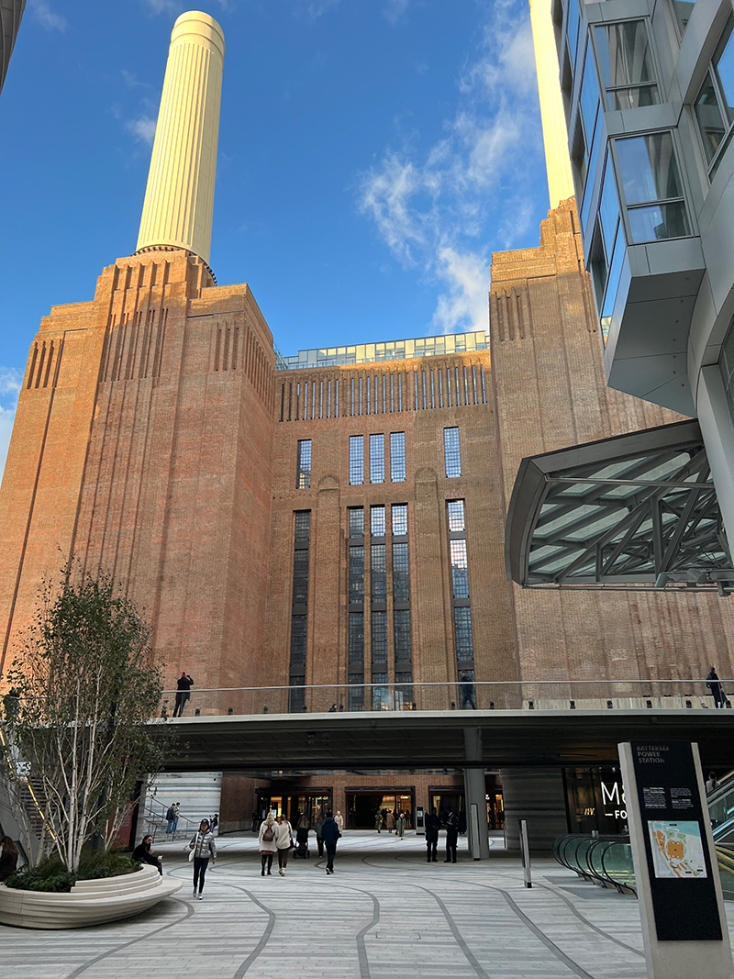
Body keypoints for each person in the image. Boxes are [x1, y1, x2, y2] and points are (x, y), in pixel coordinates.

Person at [189, 818, 216, 899]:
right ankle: (195, 887)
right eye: (202, 825)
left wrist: (214, 857)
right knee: (196, 874)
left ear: (207, 826)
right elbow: (190, 845)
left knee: (202, 874)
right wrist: (194, 844)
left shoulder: (210, 835)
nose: (203, 827)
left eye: (205, 825)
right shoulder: (197, 835)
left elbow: (213, 847)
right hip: (197, 857)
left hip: (205, 857)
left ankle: (200, 892)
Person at [321, 809, 340, 875]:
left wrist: (323, 839)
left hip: (327, 841)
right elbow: (336, 832)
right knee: (332, 854)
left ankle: (330, 867)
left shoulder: (324, 824)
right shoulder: (334, 824)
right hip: (333, 841)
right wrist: (337, 836)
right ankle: (329, 866)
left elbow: (322, 833)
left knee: (329, 854)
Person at [258, 811, 277, 876]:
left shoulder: (263, 824)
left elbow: (260, 833)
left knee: (264, 856)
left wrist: (260, 842)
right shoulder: (275, 824)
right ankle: (268, 870)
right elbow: (277, 834)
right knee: (270, 857)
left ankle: (263, 868)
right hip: (271, 843)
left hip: (264, 843)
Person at [275, 811, 293, 876]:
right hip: (286, 842)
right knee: (285, 856)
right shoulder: (288, 824)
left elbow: (276, 835)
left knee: (280, 856)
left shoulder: (278, 825)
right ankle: (283, 868)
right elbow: (291, 832)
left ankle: (280, 868)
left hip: (279, 843)